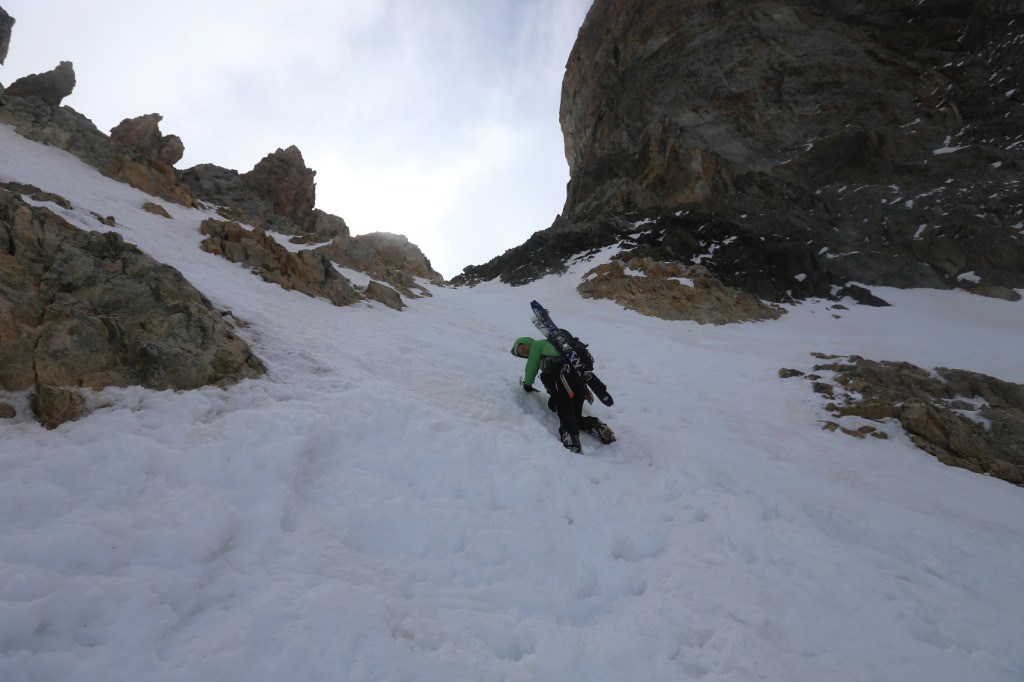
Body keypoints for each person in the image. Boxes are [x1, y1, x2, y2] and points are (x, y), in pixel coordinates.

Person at [511, 336, 615, 453]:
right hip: (576, 379)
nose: (524, 352)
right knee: (575, 416)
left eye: (523, 348)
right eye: (522, 354)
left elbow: (530, 368)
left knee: (564, 409)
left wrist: (527, 385)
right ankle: (598, 426)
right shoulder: (550, 347)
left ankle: (570, 438)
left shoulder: (537, 345)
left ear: (527, 342)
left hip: (561, 378)